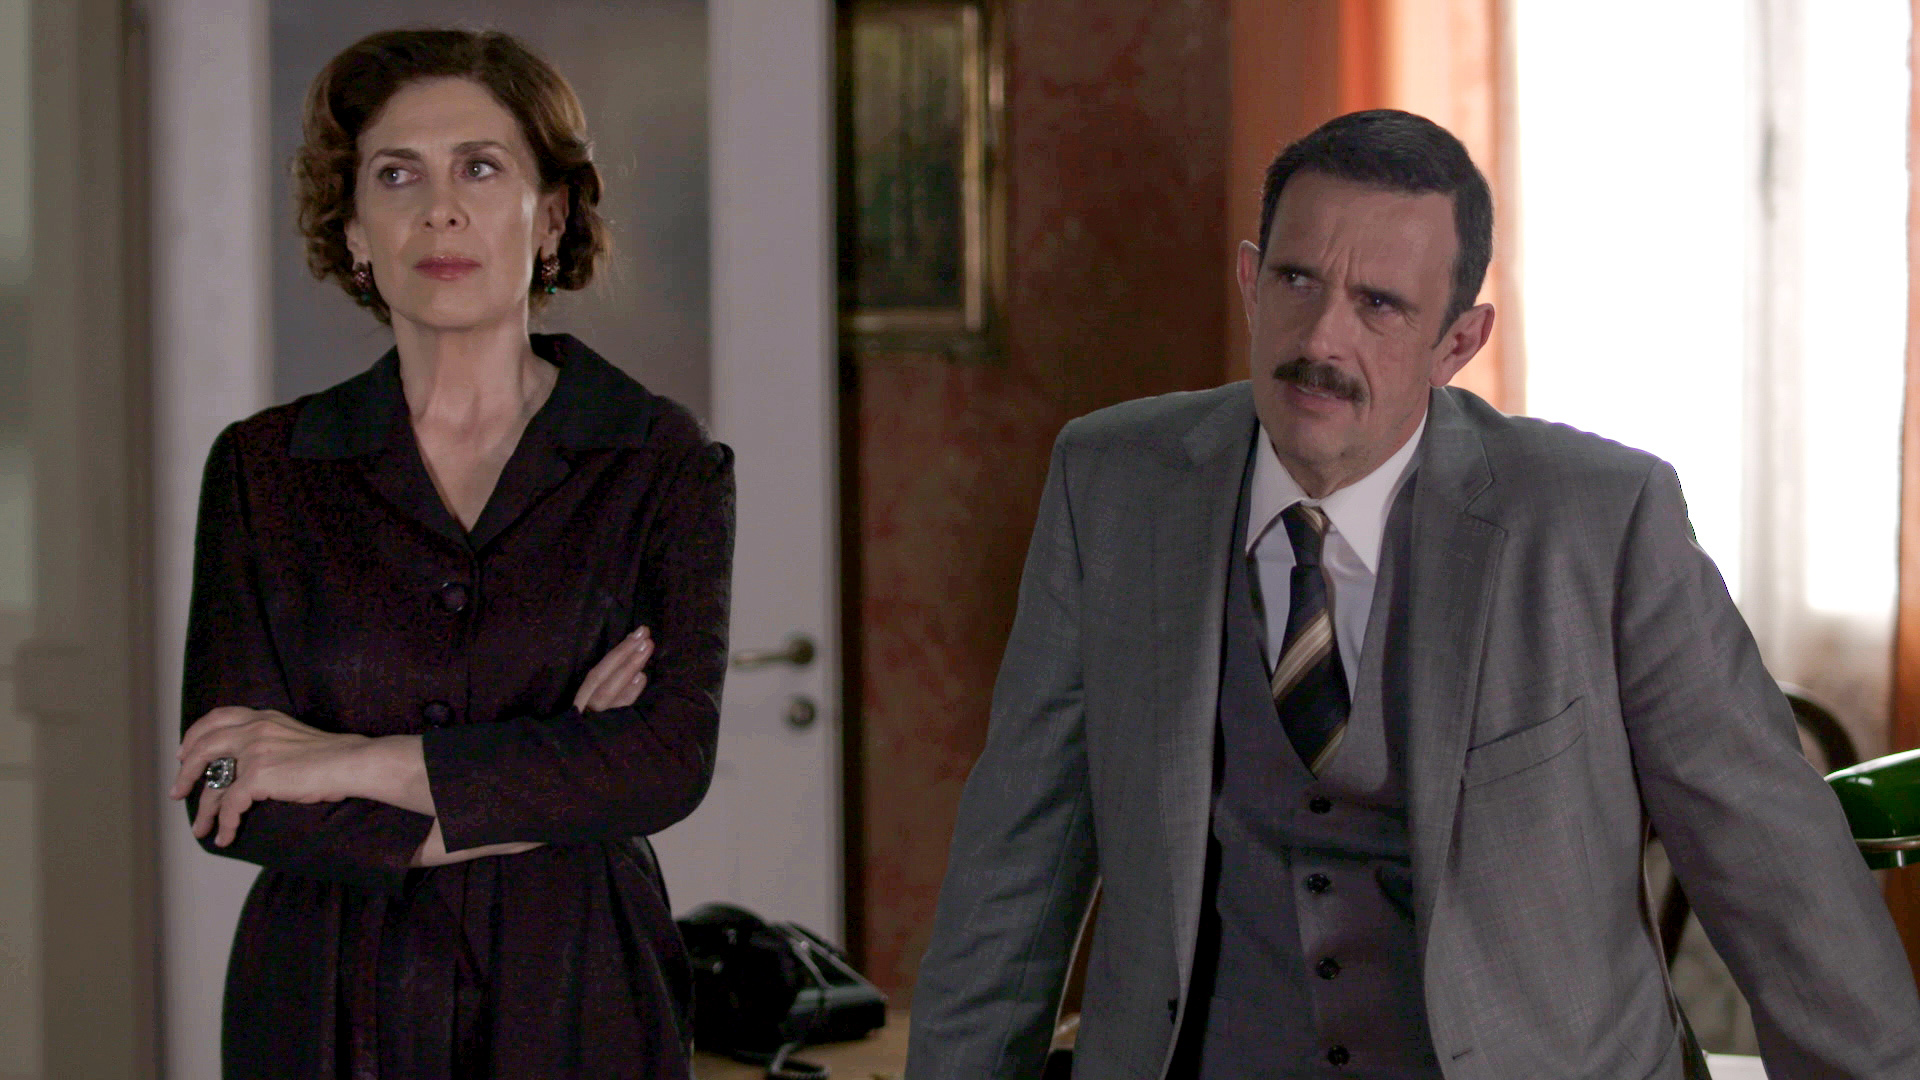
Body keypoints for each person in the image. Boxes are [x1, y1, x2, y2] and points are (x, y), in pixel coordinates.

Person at [906, 109, 1920, 1079]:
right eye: (1297, 279)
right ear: (1251, 281)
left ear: (1458, 344)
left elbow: (1779, 882)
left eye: (1379, 306)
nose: (1322, 339)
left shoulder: (1601, 524)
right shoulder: (1113, 485)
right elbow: (1016, 865)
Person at [166, 28, 732, 1079]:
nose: (440, 208)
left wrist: (341, 763)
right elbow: (223, 779)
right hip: (324, 1005)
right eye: (397, 175)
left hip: (575, 992)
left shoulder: (658, 460)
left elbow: (664, 762)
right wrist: (550, 779)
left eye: (480, 167)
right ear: (354, 230)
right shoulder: (263, 467)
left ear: (550, 217)